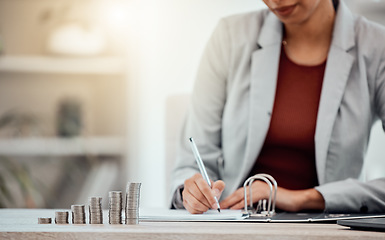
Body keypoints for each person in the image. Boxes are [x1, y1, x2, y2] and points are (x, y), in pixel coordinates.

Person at [170, 0, 385, 214]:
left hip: (328, 229)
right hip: (234, 223)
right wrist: (190, 192)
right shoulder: (230, 36)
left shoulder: (376, 46)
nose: (275, 1)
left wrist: (303, 198)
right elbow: (191, 162)